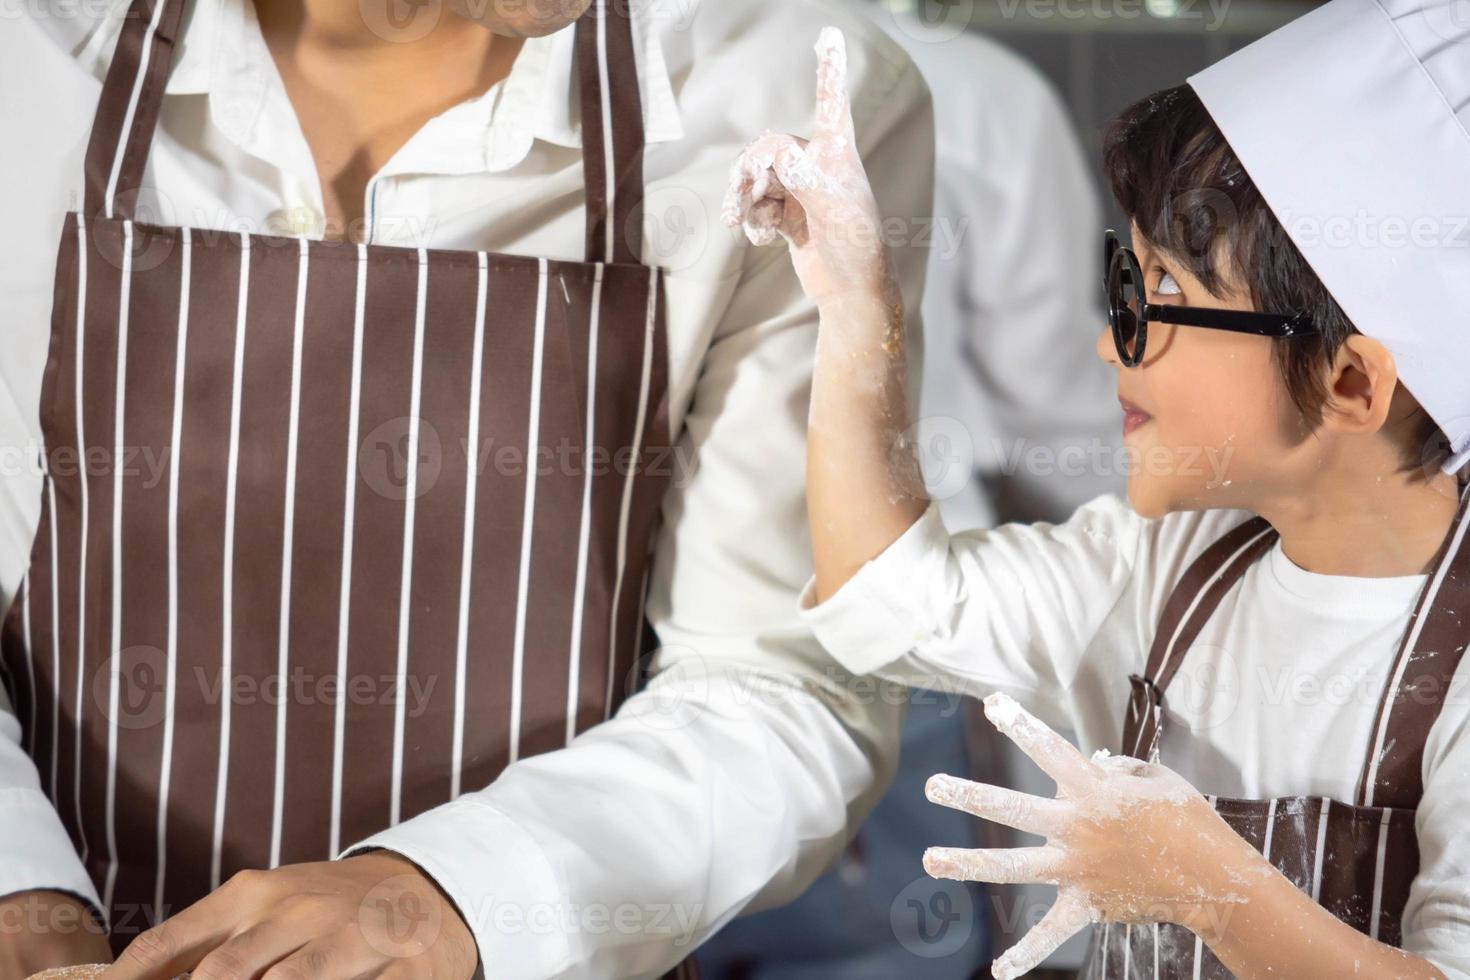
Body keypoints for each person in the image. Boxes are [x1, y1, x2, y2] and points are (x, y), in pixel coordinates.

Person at [0, 1, 934, 977]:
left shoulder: (785, 97)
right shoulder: (27, 48)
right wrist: (20, 889)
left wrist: (450, 897)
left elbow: (781, 682)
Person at [724, 0, 1470, 974]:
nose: (1108, 340)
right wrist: (858, 303)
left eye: (1163, 297)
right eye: (1130, 284)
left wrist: (1211, 884)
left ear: (1351, 382)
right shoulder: (1170, 563)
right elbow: (891, 603)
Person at [698, 5, 1115, 975]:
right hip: (899, 639)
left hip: (618, 654)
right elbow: (1056, 412)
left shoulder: (619, 75)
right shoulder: (979, 92)